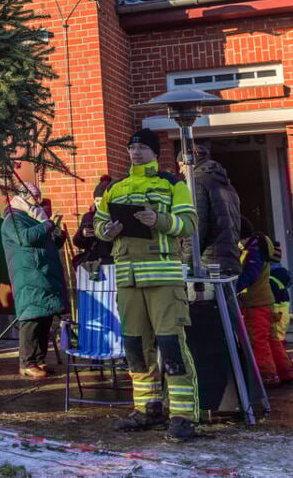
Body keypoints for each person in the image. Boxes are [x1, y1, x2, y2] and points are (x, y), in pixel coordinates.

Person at [95, 128, 199, 442]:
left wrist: (160, 221)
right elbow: (98, 225)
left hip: (164, 279)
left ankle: (183, 417)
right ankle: (147, 408)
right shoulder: (115, 188)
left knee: (171, 347)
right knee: (135, 349)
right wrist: (107, 230)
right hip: (128, 279)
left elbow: (189, 224)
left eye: (142, 148)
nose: (136, 152)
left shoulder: (172, 184)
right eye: (132, 148)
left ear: (155, 152)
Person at [0, 182, 65, 379]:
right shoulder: (13, 218)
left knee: (45, 316)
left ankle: (39, 359)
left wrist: (57, 234)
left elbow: (46, 241)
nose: (38, 200)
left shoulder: (34, 216)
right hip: (27, 275)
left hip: (42, 274)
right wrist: (48, 224)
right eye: (34, 196)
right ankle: (27, 362)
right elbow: (26, 239)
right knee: (31, 318)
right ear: (23, 196)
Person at [180, 141, 242, 274]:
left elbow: (196, 230)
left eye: (181, 166)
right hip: (229, 262)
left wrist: (186, 267)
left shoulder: (196, 184)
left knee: (204, 296)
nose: (180, 171)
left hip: (207, 266)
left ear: (189, 164)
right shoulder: (227, 185)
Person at [236, 218, 281, 386]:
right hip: (265, 300)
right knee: (271, 338)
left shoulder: (252, 250)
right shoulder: (261, 245)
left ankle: (266, 375)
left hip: (255, 302)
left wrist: (236, 285)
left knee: (257, 340)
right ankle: (284, 371)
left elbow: (250, 274)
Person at [73, 175, 115, 273]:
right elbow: (77, 242)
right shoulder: (88, 216)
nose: (99, 204)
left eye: (102, 201)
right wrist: (82, 234)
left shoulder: (117, 216)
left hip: (112, 262)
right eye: (97, 201)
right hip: (93, 262)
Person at [268, 244, 293, 384]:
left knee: (276, 341)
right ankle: (285, 366)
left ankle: (283, 368)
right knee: (281, 339)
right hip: (284, 312)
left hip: (275, 311)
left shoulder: (269, 277)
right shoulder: (284, 273)